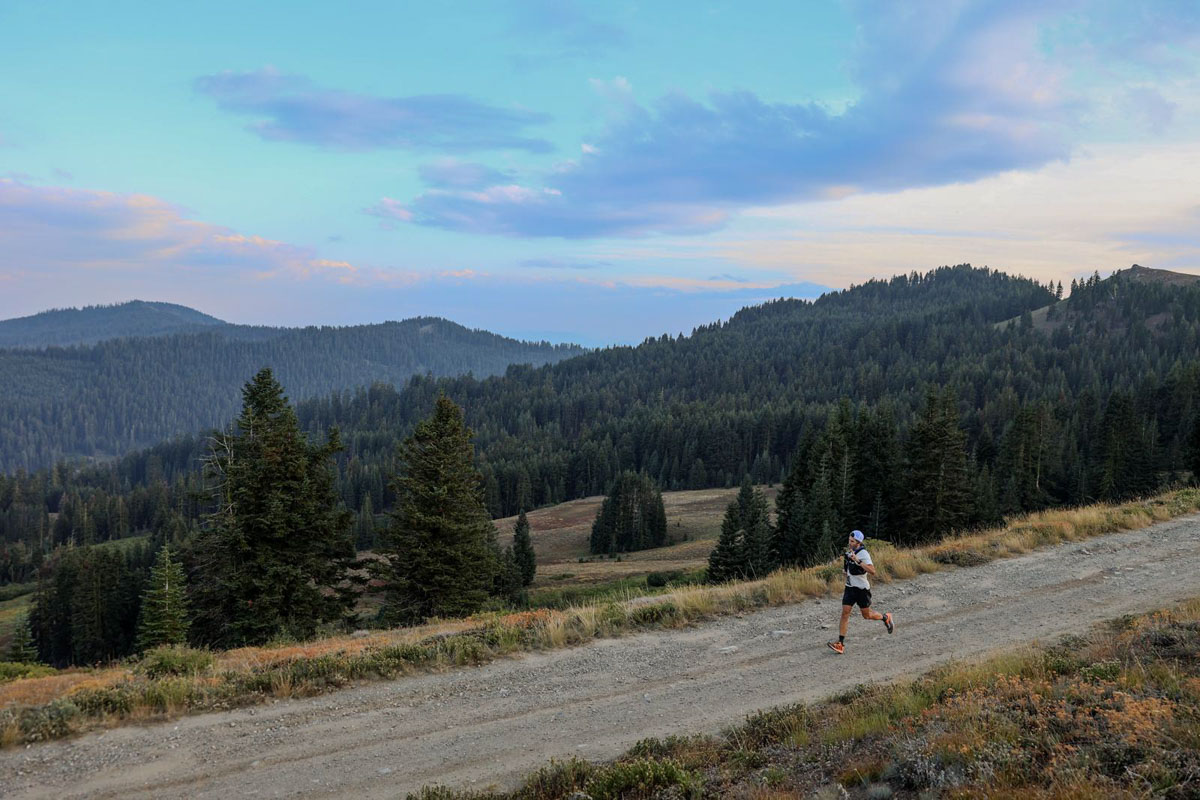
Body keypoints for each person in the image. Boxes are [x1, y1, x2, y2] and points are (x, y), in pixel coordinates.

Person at [827, 530, 893, 654]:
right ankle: (840, 644)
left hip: (862, 589)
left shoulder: (864, 554)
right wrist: (846, 571)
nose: (849, 543)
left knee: (866, 615)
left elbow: (872, 571)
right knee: (845, 613)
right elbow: (847, 568)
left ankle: (885, 617)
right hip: (850, 588)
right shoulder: (848, 553)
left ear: (858, 542)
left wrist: (858, 561)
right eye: (849, 540)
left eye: (852, 541)